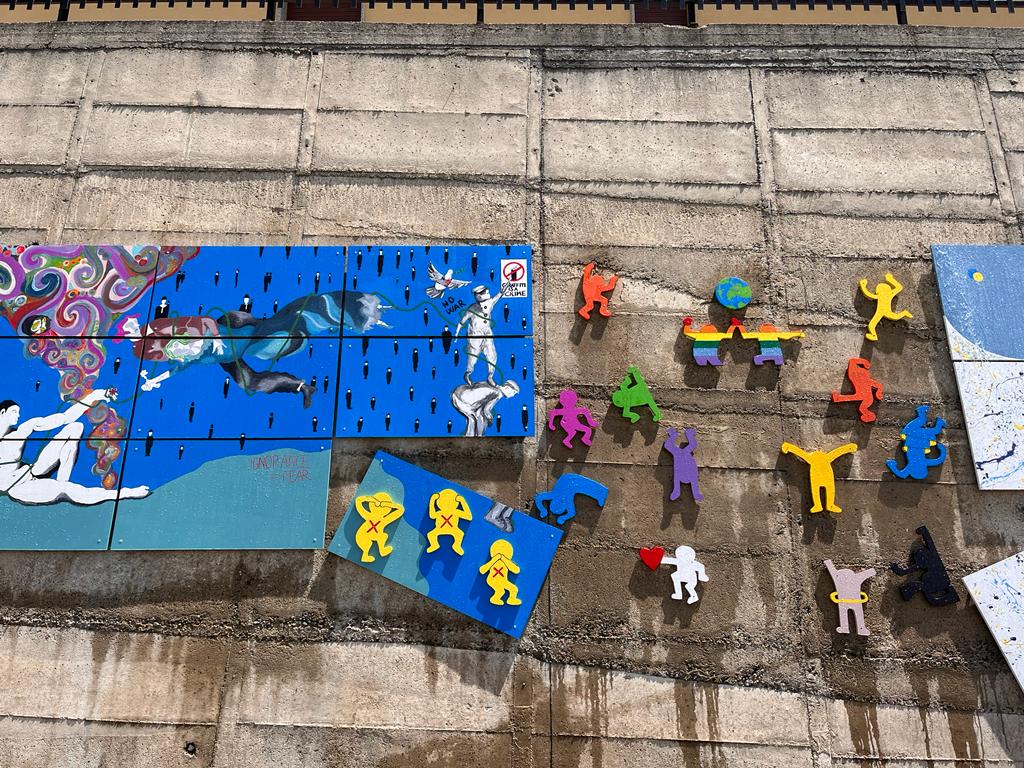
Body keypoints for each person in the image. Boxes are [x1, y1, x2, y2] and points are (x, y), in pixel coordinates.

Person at [0, 395, 149, 506]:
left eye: (18, 411)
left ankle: (62, 480)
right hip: (17, 487)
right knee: (67, 490)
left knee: (75, 427)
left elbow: (65, 417)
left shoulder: (21, 431)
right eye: (14, 411)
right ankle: (124, 493)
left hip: (30, 472)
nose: (18, 415)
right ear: (2, 413)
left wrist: (95, 395)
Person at [455, 285, 505, 385]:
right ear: (478, 296)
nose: (488, 294)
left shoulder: (489, 303)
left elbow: (497, 297)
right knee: (473, 356)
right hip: (475, 335)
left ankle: (490, 376)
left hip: (487, 333)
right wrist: (456, 334)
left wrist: (502, 291)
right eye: (485, 292)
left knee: (492, 355)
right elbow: (461, 322)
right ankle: (468, 374)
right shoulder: (472, 308)